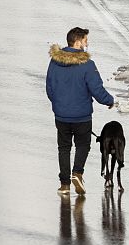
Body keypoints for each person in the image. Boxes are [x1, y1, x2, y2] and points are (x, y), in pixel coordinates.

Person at [46, 27, 115, 197]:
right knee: (83, 145)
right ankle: (77, 173)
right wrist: (109, 100)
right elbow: (96, 89)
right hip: (82, 116)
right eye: (85, 41)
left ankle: (64, 185)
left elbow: (49, 88)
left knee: (63, 148)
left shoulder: (54, 62)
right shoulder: (87, 65)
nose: (87, 44)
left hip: (61, 115)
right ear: (77, 42)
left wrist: (58, 104)